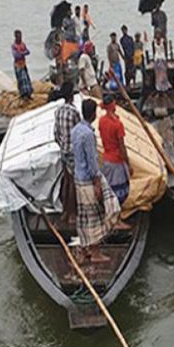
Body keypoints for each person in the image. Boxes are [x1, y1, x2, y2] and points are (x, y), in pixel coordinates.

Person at [72, 99, 121, 263]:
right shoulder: (87, 134)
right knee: (97, 215)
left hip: (78, 178)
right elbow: (92, 162)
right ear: (93, 114)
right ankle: (95, 252)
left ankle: (86, 247)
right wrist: (97, 183)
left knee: (85, 216)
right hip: (88, 179)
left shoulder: (76, 130)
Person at [53, 82, 80, 225]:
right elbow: (79, 132)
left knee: (66, 182)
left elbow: (56, 134)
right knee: (73, 183)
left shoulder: (58, 111)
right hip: (72, 152)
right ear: (72, 96)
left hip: (63, 150)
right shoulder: (74, 112)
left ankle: (65, 212)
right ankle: (72, 214)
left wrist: (62, 145)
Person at [98, 95, 133, 206]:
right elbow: (122, 147)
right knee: (120, 192)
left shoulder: (102, 121)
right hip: (116, 160)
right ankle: (117, 217)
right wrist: (128, 164)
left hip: (107, 159)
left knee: (109, 189)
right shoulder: (117, 125)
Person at [11, 30, 33, 99]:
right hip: (18, 65)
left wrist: (22, 53)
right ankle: (23, 93)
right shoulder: (14, 46)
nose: (20, 38)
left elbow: (28, 51)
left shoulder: (23, 44)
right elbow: (16, 55)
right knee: (21, 79)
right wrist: (22, 53)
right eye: (18, 36)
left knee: (26, 78)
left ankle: (28, 93)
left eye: (20, 36)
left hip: (23, 64)